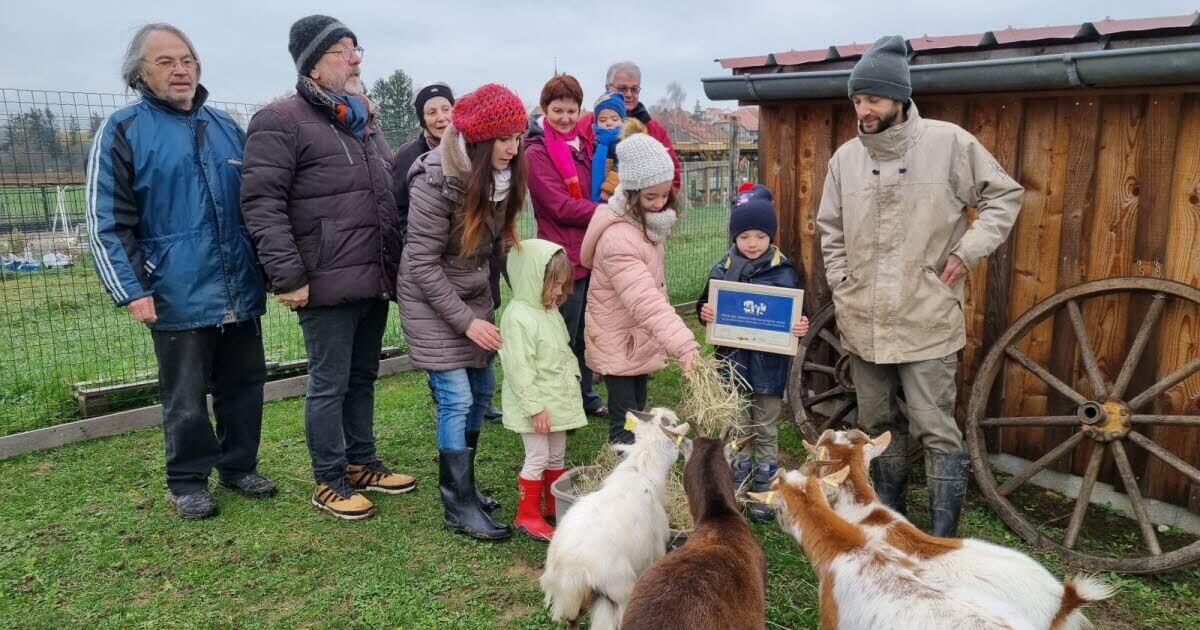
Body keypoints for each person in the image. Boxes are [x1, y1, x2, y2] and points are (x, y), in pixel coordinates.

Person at [816, 35, 1024, 536]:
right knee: (877, 428)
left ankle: (940, 538)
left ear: (899, 98)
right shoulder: (845, 159)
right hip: (863, 318)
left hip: (926, 315)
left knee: (936, 429)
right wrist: (842, 281)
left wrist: (966, 251)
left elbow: (1004, 197)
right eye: (857, 100)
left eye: (873, 99)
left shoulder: (949, 144)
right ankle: (889, 525)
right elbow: (830, 229)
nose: (863, 110)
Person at [86, 23, 273, 519]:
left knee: (244, 384)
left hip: (238, 285)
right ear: (140, 73)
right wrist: (131, 289)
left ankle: (239, 465)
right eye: (166, 62)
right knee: (185, 396)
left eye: (187, 60)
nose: (180, 70)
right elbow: (107, 220)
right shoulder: (123, 130)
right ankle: (188, 480)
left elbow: (256, 206)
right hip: (174, 290)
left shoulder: (226, 126)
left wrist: (268, 268)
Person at [241, 15, 415, 521]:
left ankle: (362, 463)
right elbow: (261, 203)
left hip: (372, 275)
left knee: (362, 376)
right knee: (329, 382)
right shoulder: (281, 120)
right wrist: (288, 275)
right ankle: (330, 479)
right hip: (323, 279)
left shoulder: (363, 120)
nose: (356, 58)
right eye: (343, 50)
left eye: (357, 48)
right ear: (313, 65)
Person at [396, 83, 528, 540]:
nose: (513, 148)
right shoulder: (434, 179)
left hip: (472, 292)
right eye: (504, 139)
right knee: (456, 398)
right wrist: (468, 323)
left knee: (482, 388)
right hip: (430, 298)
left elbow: (500, 242)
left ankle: (466, 486)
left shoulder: (500, 177)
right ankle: (457, 505)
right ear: (479, 139)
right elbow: (421, 263)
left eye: (517, 137)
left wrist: (528, 289)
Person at [696, 184, 809, 521]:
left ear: (770, 236)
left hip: (769, 366)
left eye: (760, 235)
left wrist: (799, 325)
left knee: (766, 423)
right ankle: (738, 477)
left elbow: (795, 310)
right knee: (737, 421)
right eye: (745, 236)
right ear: (735, 236)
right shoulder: (723, 268)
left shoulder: (783, 271)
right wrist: (705, 311)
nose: (752, 243)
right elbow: (706, 302)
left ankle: (765, 484)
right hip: (733, 362)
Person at [580, 133, 700, 444]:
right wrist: (684, 344)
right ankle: (624, 470)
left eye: (665, 195)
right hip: (619, 339)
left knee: (638, 411)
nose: (659, 204)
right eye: (651, 197)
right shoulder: (619, 239)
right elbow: (645, 299)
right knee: (626, 422)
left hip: (635, 337)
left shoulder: (644, 225)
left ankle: (636, 464)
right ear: (632, 192)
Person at [525, 74, 609, 419]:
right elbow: (558, 206)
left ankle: (585, 394)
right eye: (557, 110)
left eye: (571, 110)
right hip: (561, 258)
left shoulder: (589, 146)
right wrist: (605, 212)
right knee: (562, 335)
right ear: (545, 109)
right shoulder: (536, 152)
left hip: (592, 252)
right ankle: (560, 400)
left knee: (588, 332)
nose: (564, 118)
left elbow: (600, 188)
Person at [498, 239, 588, 542]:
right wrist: (534, 408)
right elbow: (519, 369)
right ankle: (527, 515)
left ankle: (553, 504)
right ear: (532, 278)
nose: (559, 292)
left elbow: (563, 352)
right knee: (537, 456)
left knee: (556, 455)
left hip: (557, 400)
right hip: (536, 406)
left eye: (562, 285)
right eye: (554, 285)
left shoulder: (549, 311)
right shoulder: (517, 317)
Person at [577, 61, 681, 191]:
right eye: (622, 89)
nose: (629, 94)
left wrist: (658, 200)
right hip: (592, 201)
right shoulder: (586, 124)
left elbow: (673, 172)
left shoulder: (653, 129)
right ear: (607, 88)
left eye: (634, 89)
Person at [589, 91, 627, 201]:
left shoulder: (622, 142)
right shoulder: (596, 141)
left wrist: (609, 187)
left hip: (614, 191)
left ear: (622, 121)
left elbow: (622, 164)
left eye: (614, 119)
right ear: (596, 122)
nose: (609, 123)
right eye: (602, 120)